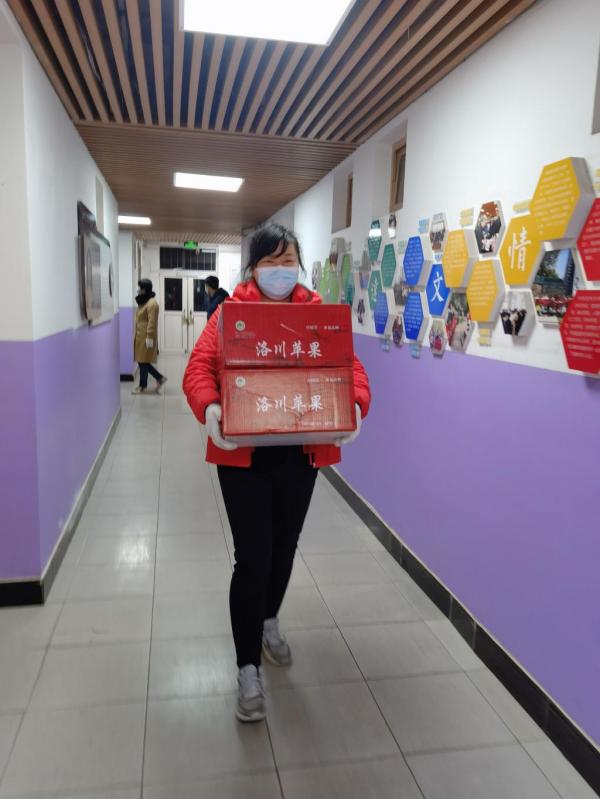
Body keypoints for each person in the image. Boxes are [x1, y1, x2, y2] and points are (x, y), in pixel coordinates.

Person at [183, 223, 371, 723]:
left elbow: (350, 367)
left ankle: (268, 620)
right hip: (243, 456)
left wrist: (355, 403)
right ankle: (247, 667)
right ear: (253, 268)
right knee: (253, 556)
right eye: (271, 261)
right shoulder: (228, 314)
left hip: (299, 455)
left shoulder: (319, 315)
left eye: (289, 261)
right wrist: (211, 408)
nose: (281, 271)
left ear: (299, 266)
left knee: (285, 547)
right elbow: (198, 368)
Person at [132, 278, 167, 395]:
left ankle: (143, 386)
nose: (138, 290)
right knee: (142, 361)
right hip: (140, 336)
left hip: (146, 337)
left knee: (143, 361)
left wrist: (149, 338)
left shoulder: (152, 303)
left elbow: (152, 322)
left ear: (145, 289)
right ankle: (159, 378)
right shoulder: (144, 301)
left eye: (140, 288)